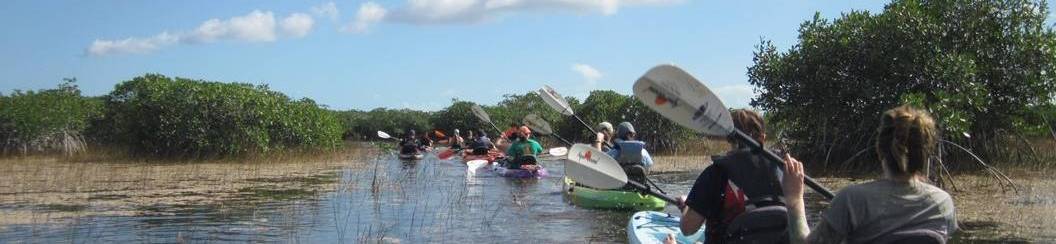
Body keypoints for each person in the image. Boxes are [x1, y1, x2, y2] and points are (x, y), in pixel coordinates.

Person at [782, 106, 956, 244]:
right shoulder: (943, 203)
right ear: (924, 152)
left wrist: (794, 200)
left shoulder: (851, 199)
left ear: (880, 150)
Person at [673, 109, 786, 242]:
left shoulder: (715, 174)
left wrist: (688, 208)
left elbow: (687, 229)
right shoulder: (786, 172)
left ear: (728, 138)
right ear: (762, 138)